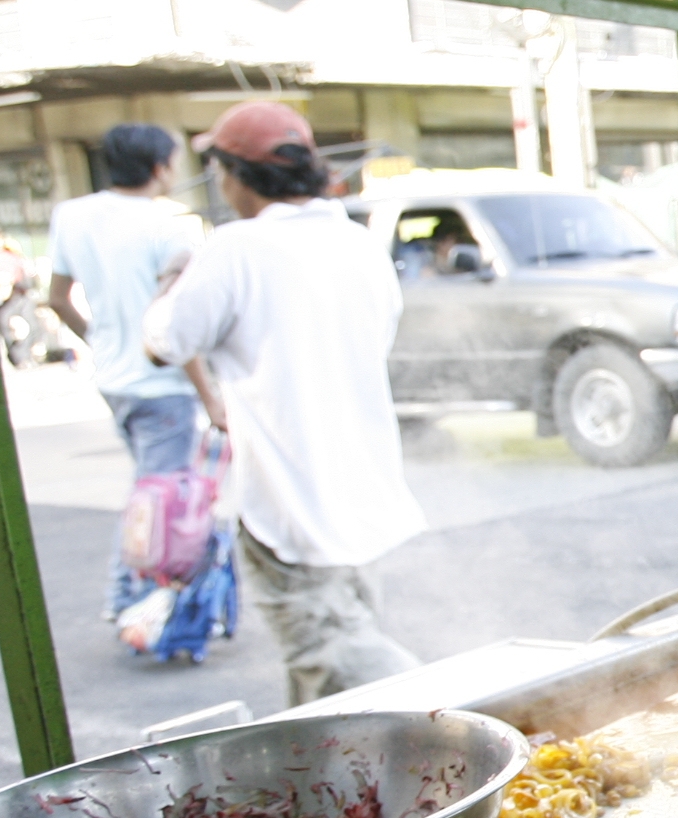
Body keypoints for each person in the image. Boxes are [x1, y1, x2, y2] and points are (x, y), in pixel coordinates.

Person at [144, 101, 426, 706]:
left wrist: (171, 284)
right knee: (331, 682)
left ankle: (456, 715)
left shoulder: (237, 247)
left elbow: (166, 342)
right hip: (363, 490)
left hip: (289, 496)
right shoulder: (358, 244)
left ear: (237, 175)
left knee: (333, 656)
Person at [45, 123, 226, 618]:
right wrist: (210, 397)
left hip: (113, 381)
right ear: (159, 167)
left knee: (151, 493)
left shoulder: (72, 215)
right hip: (162, 387)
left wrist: (103, 343)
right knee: (157, 504)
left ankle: (150, 601)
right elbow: (173, 330)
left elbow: (57, 298)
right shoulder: (169, 227)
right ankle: (128, 601)